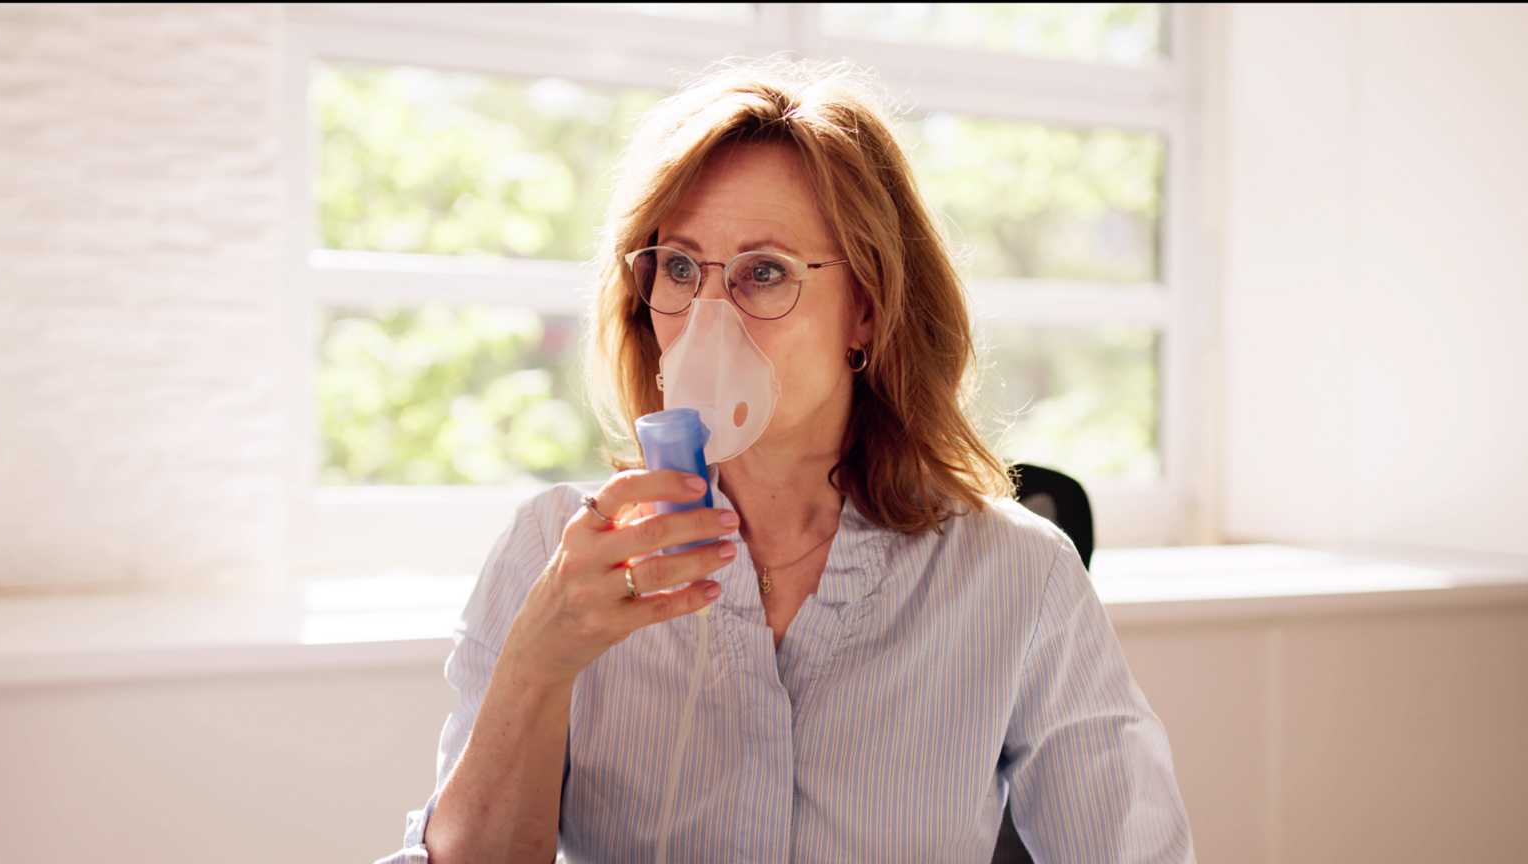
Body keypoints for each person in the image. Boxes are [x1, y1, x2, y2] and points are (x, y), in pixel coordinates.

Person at [378, 59, 1193, 864]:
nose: (707, 315)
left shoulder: (1017, 577)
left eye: (763, 273)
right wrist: (541, 658)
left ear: (866, 311)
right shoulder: (558, 553)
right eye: (681, 267)